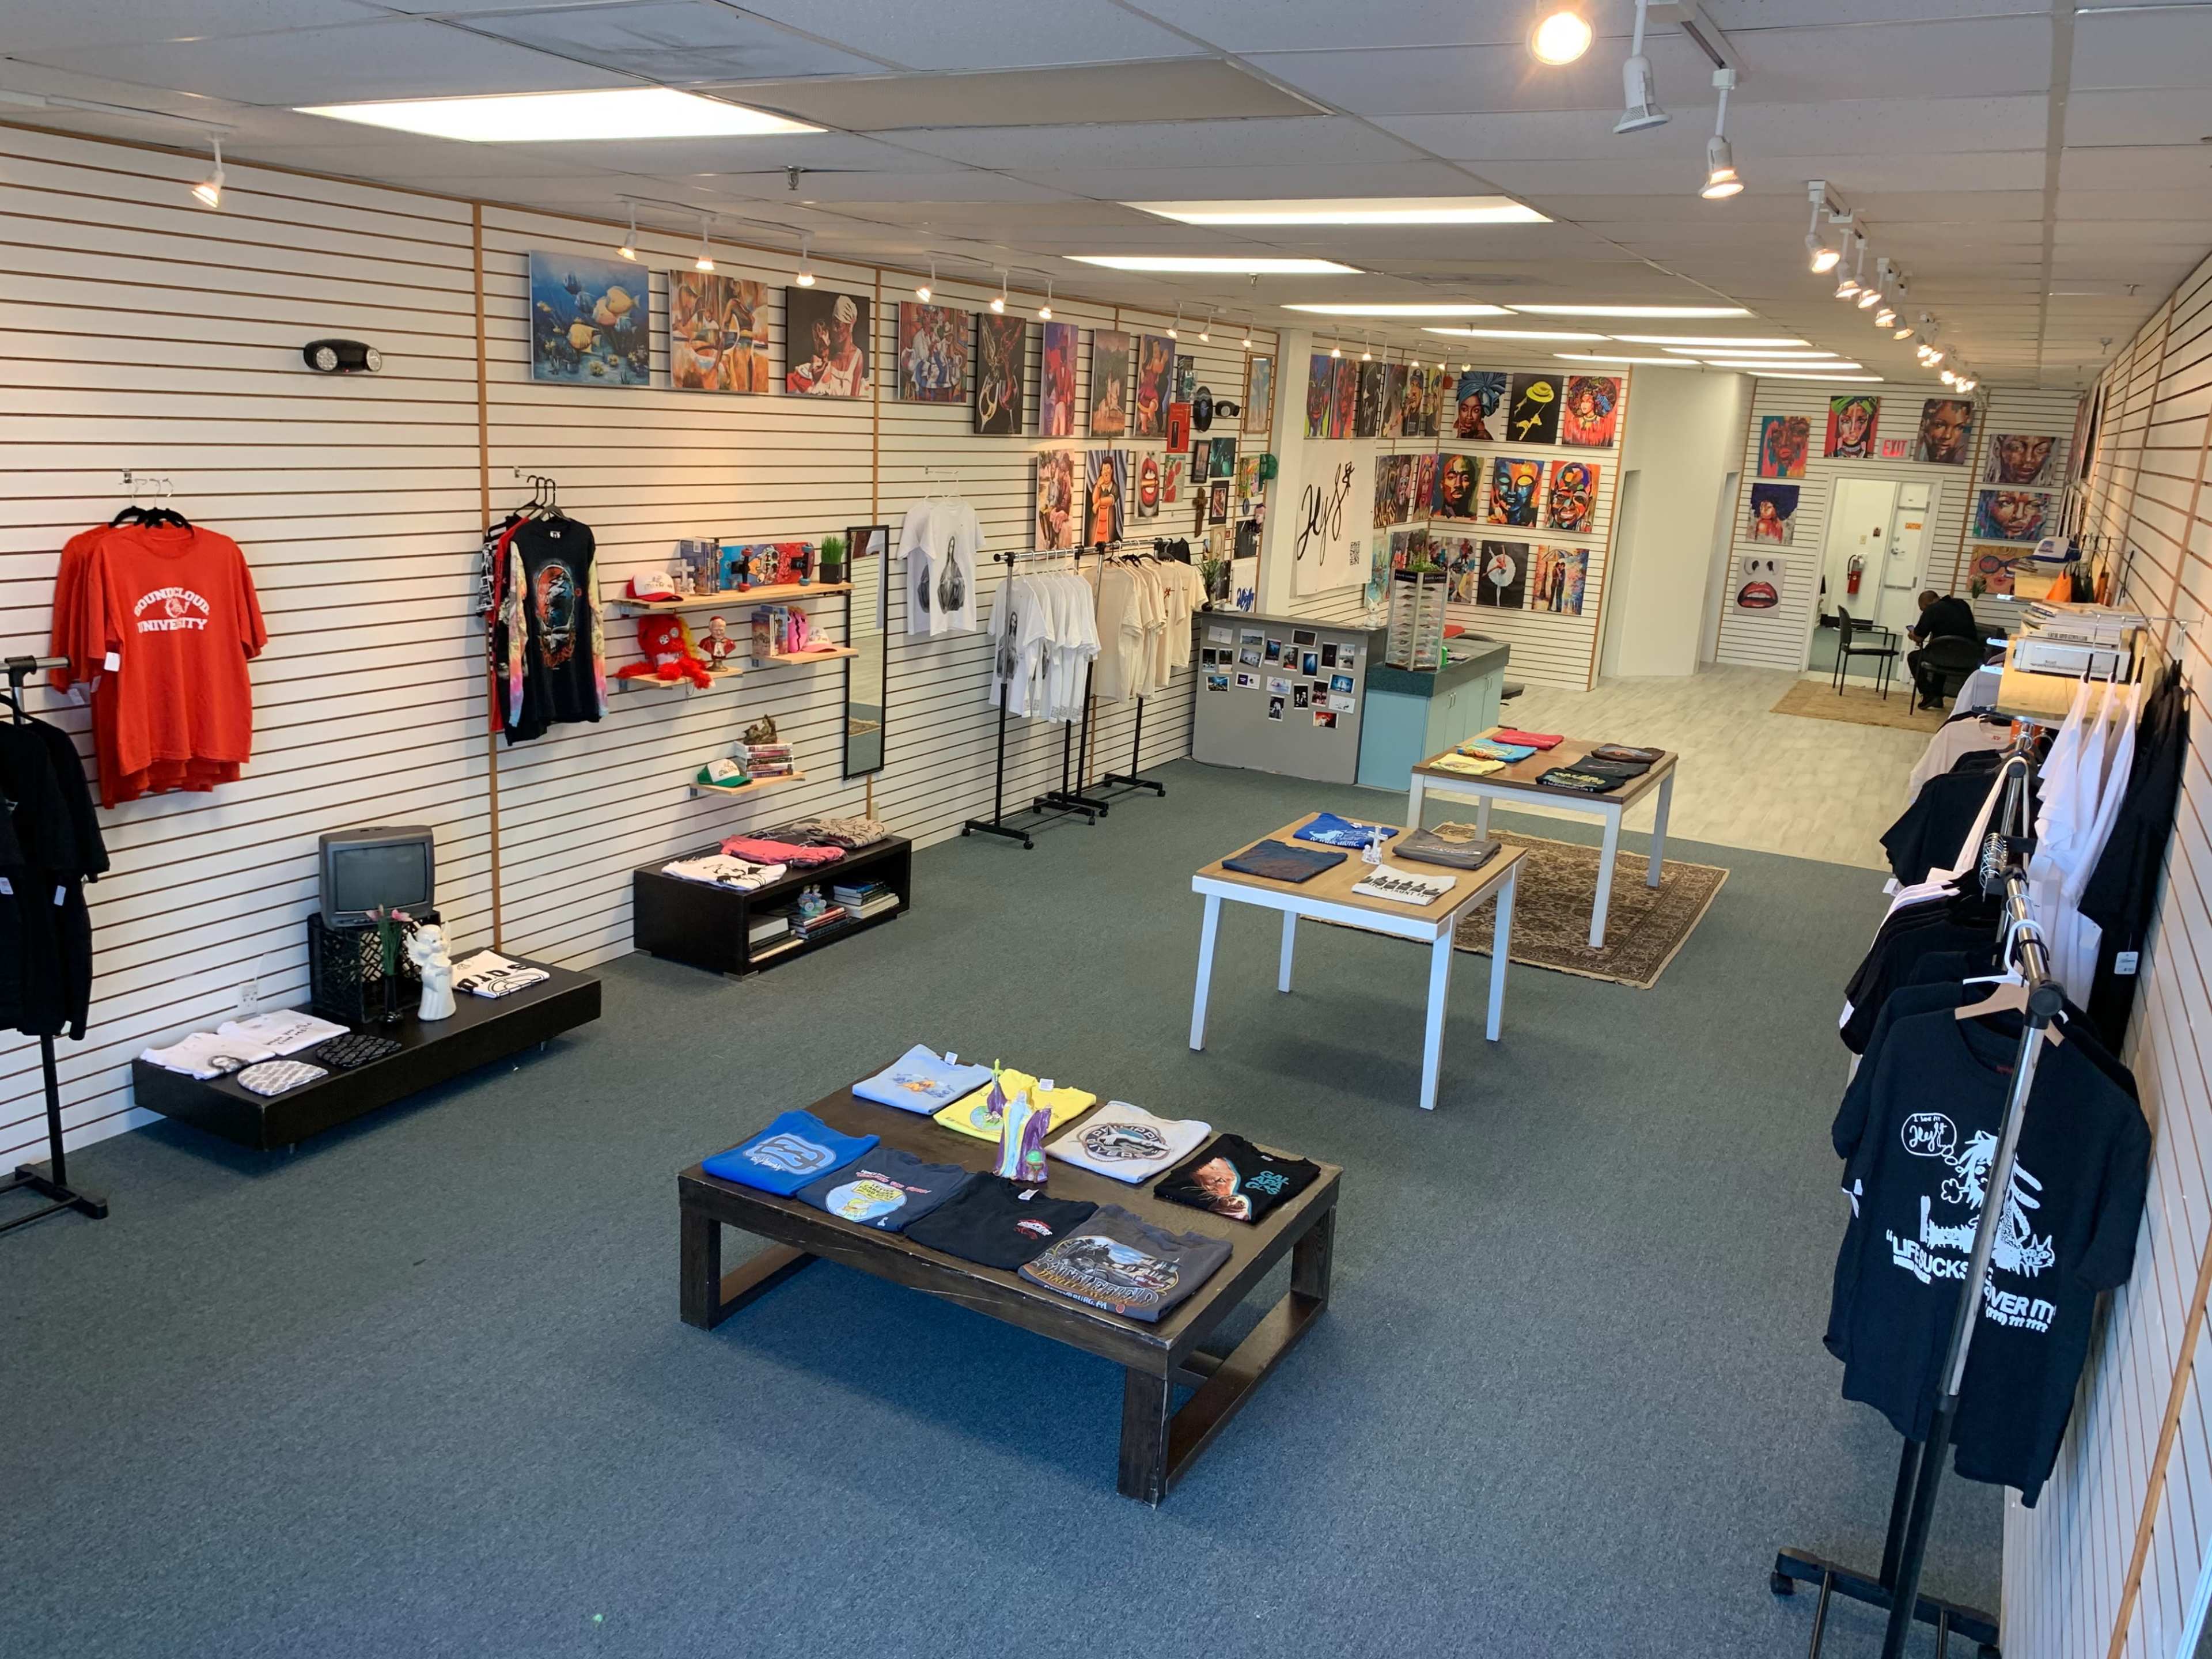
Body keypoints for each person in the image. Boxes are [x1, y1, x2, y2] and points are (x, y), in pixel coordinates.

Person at [1906, 588, 1983, 709]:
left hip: (1944, 655)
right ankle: (1937, 697)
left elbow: (1919, 637)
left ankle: (1928, 694)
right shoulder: (1962, 604)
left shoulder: (1931, 610)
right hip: (1969, 656)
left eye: (1922, 609)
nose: (1923, 611)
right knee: (1941, 653)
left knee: (1914, 658)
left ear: (1927, 604)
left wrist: (1912, 635)